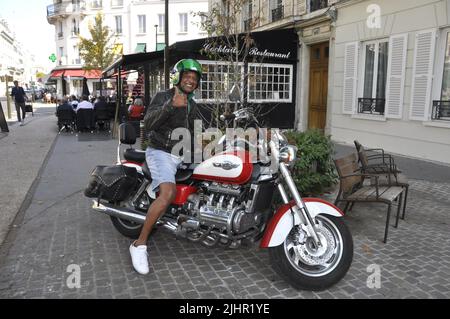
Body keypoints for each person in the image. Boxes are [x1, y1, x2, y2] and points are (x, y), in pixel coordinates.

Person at [129, 59, 203, 275]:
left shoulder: (193, 104)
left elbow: (197, 132)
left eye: (194, 79)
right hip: (161, 152)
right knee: (168, 193)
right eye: (187, 77)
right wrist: (170, 106)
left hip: (183, 155)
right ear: (178, 77)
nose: (191, 81)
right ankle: (139, 245)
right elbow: (149, 123)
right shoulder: (164, 96)